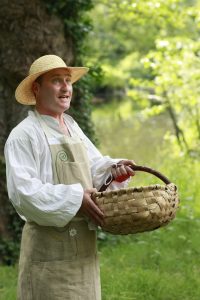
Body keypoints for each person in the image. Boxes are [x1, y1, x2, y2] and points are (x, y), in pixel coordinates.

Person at [4, 54, 135, 300]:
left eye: (68, 80)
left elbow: (95, 167)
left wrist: (114, 170)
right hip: (48, 255)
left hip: (84, 251)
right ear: (36, 88)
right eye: (56, 81)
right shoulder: (24, 135)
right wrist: (76, 198)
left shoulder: (73, 127)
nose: (66, 87)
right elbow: (23, 192)